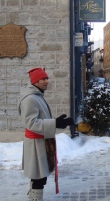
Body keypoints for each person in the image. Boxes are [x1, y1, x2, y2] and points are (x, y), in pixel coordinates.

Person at [18, 67, 74, 201]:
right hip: (36, 144)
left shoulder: (37, 96)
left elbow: (41, 119)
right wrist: (55, 123)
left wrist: (56, 122)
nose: (46, 81)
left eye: (47, 78)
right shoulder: (30, 99)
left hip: (41, 143)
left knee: (38, 176)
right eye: (43, 79)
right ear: (35, 82)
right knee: (38, 177)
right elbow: (31, 123)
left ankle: (33, 198)